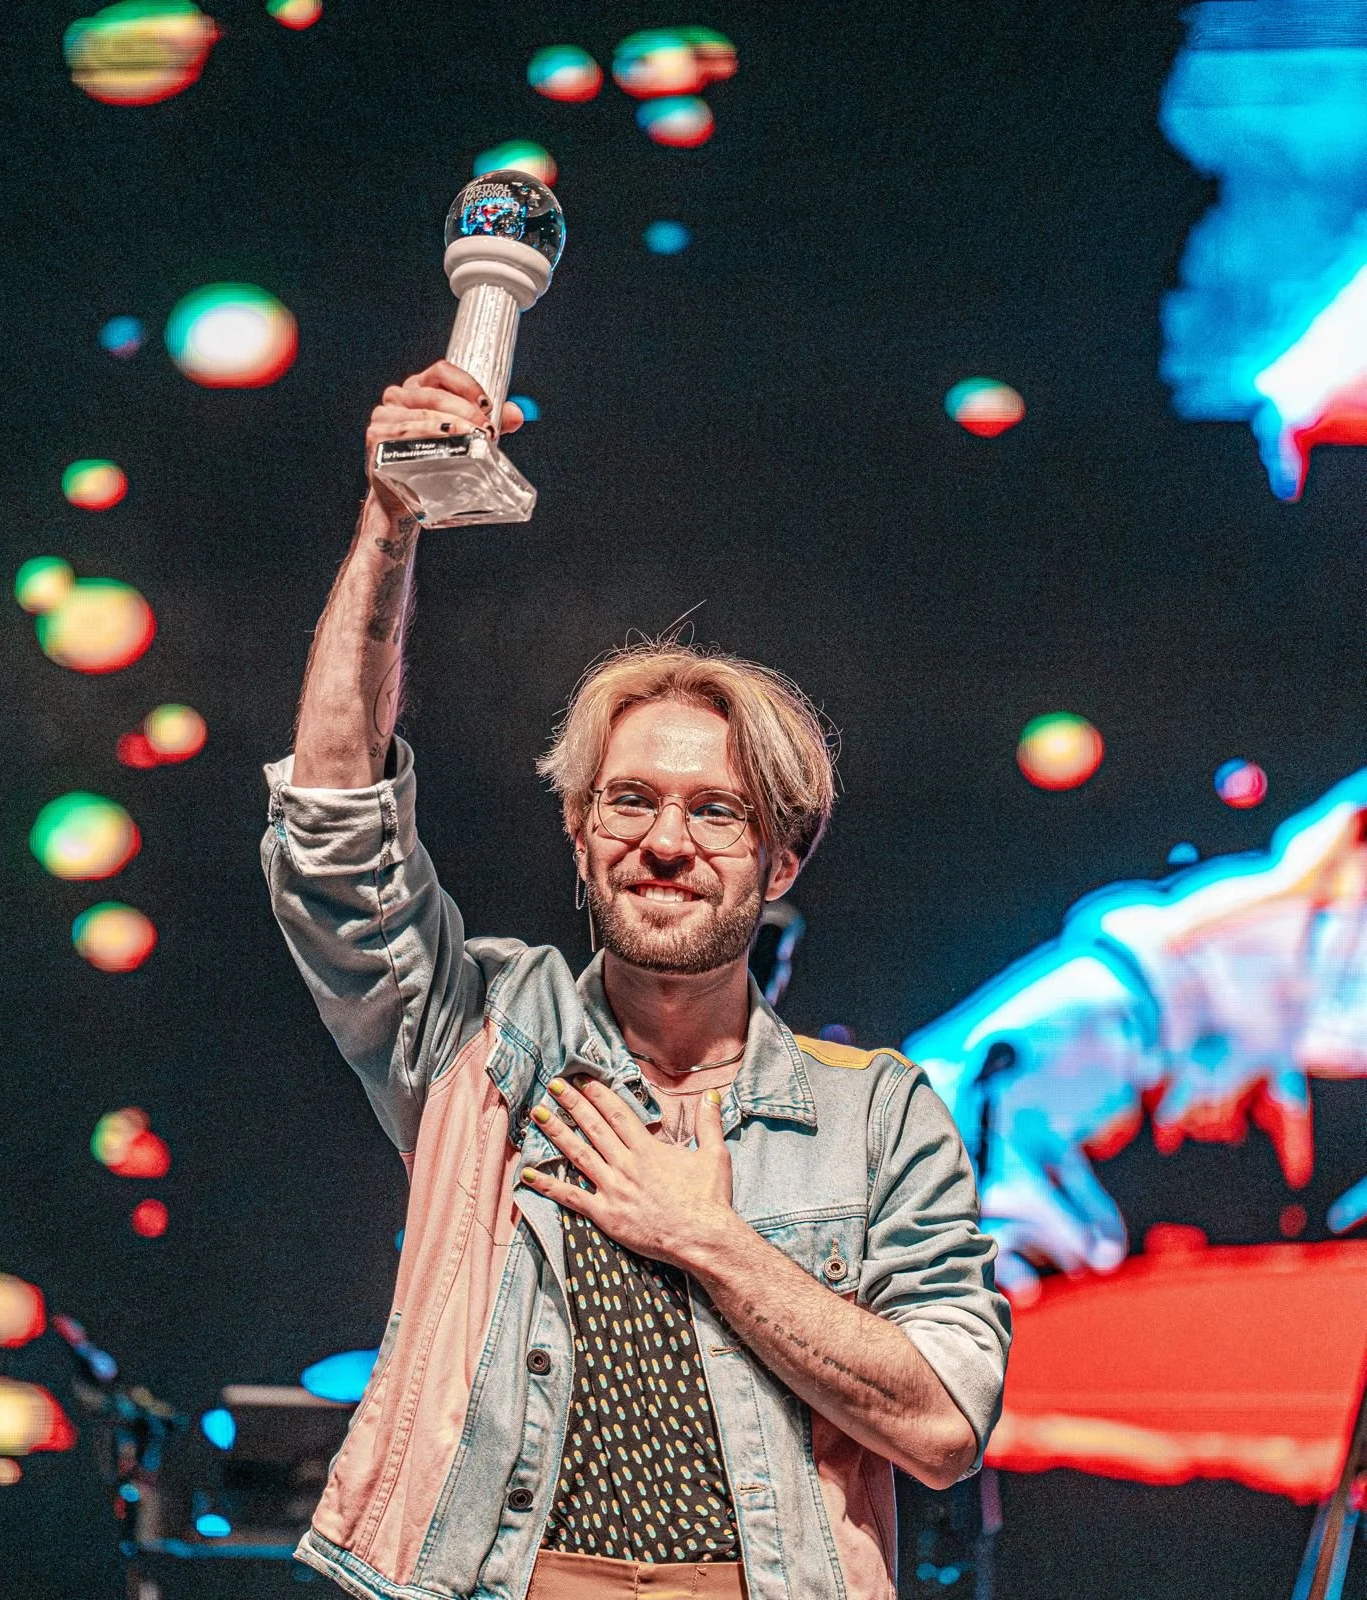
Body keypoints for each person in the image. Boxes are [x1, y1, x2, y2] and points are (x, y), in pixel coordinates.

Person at [263, 360, 1010, 1600]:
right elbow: (334, 826)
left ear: (781, 857)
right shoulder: (481, 1036)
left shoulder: (873, 1115)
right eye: (630, 799)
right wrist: (393, 521)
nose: (664, 840)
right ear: (578, 832)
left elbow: (942, 1423)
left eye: (715, 810)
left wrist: (711, 1238)